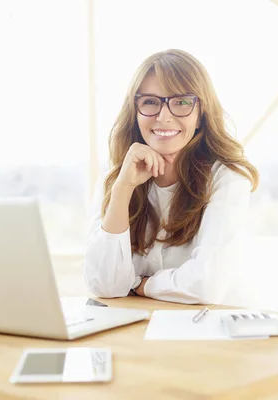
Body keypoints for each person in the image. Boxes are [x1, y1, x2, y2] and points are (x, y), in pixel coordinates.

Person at [84, 49, 258, 305]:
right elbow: (104, 284)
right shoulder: (119, 174)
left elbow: (206, 284)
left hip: (211, 331)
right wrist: (123, 189)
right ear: (135, 111)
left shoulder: (227, 178)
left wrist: (139, 285)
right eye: (150, 102)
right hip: (138, 330)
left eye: (182, 102)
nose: (164, 117)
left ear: (201, 114)